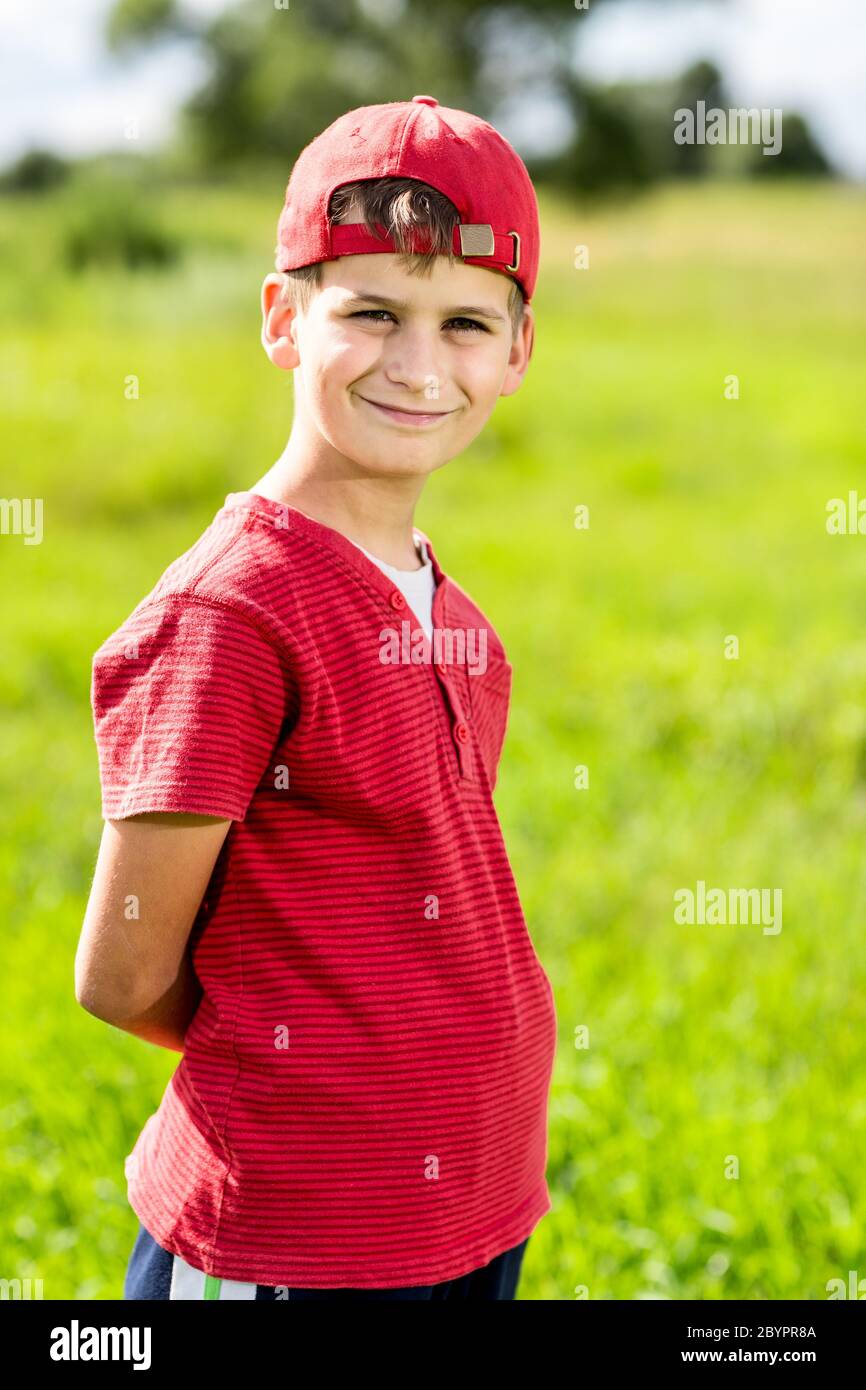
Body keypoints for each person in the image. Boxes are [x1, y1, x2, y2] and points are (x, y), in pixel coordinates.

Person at [76, 93, 557, 1301]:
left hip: (475, 1207)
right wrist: (335, 1071)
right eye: (372, 312)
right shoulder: (229, 614)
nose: (416, 364)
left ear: (516, 351)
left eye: (462, 324)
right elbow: (126, 974)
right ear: (284, 318)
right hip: (300, 1231)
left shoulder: (450, 611)